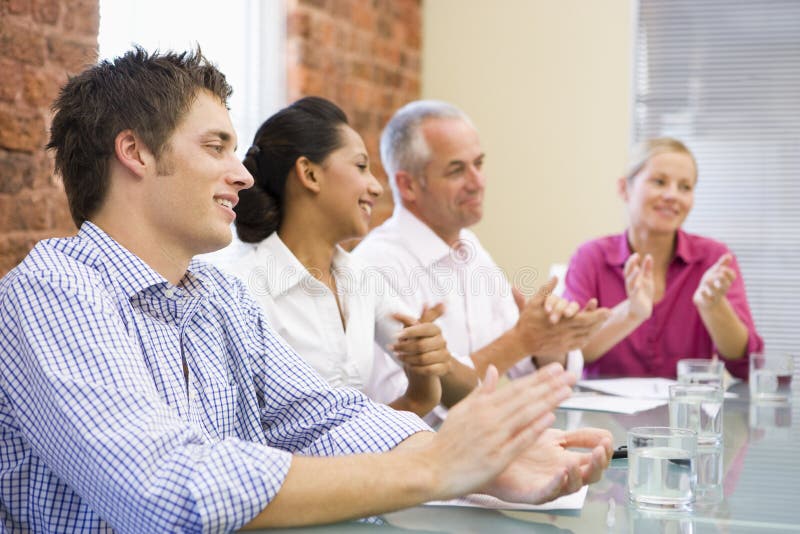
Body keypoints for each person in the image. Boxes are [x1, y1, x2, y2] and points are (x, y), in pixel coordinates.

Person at [0, 48, 613, 532]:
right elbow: (168, 490)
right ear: (133, 150)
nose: (242, 174)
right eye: (216, 146)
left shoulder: (218, 297)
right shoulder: (55, 291)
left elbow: (324, 417)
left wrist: (487, 463)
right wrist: (434, 467)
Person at [209, 96, 477, 418]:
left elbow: (460, 394)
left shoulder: (363, 281)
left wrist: (433, 363)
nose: (377, 187)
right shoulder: (243, 291)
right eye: (361, 166)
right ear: (309, 174)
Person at [354, 100, 610, 423]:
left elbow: (525, 364)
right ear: (408, 185)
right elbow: (402, 407)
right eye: (457, 170)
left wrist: (549, 340)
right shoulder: (375, 266)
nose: (478, 182)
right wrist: (522, 340)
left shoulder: (469, 248)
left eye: (479, 163)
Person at [562, 137, 763, 378]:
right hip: (602, 414)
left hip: (687, 412)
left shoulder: (715, 259)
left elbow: (744, 364)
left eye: (685, 187)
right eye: (659, 182)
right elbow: (569, 353)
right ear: (624, 188)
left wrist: (715, 307)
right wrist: (630, 313)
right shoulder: (591, 258)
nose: (672, 195)